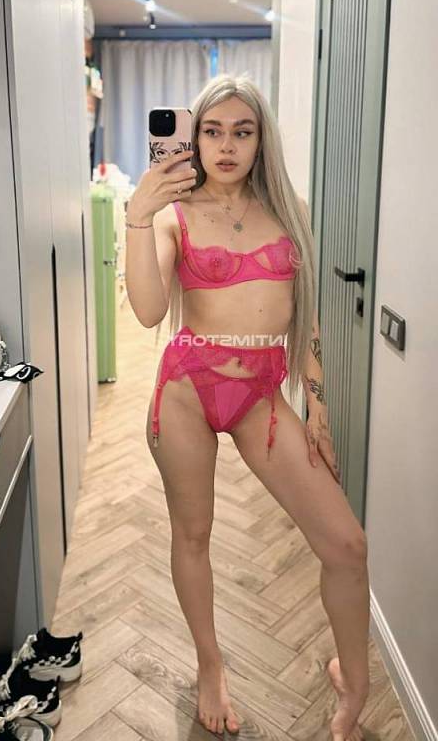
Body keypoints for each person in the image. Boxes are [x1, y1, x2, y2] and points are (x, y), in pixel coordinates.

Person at [125, 74, 370, 741]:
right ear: (195, 138)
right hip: (186, 390)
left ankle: (354, 681)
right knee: (193, 535)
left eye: (242, 131)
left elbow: (307, 316)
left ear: (262, 140)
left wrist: (317, 407)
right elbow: (147, 310)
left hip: (261, 393)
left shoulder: (286, 209)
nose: (226, 146)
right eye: (212, 131)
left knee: (346, 545)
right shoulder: (174, 214)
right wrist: (138, 216)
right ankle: (210, 666)